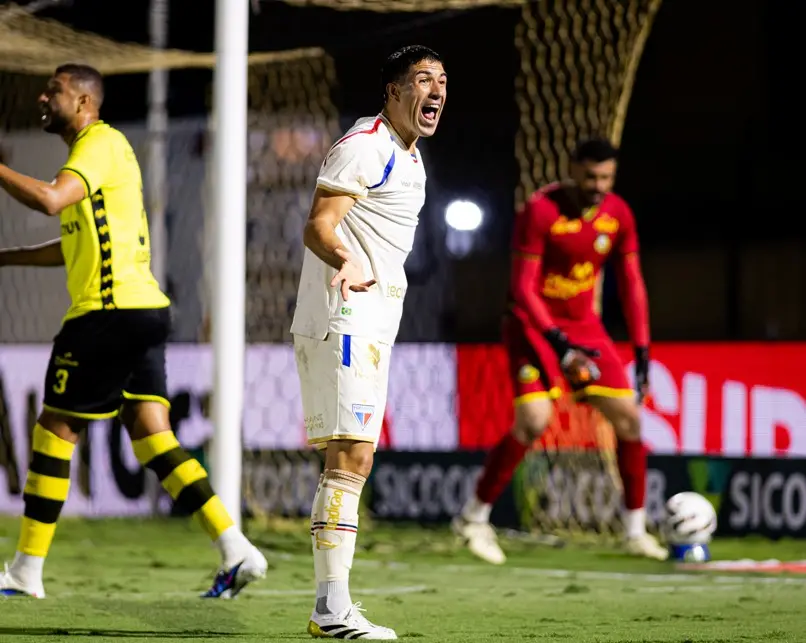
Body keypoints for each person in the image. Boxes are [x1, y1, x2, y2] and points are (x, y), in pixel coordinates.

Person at [0, 64, 267, 599]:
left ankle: (26, 571)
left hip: (106, 314)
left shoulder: (99, 144)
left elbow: (51, 201)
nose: (42, 97)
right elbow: (70, 243)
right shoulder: (93, 161)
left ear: (83, 103)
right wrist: (7, 257)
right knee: (152, 437)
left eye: (53, 90)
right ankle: (236, 547)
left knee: (55, 429)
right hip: (143, 312)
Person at [291, 45, 446, 640]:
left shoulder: (410, 157)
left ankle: (331, 606)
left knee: (354, 456)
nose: (436, 91)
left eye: (442, 81)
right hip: (343, 313)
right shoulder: (366, 145)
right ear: (393, 90)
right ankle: (331, 609)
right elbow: (318, 225)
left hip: (373, 320)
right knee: (350, 455)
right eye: (423, 80)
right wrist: (345, 259)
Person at [453, 137, 668, 564]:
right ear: (573, 169)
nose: (597, 184)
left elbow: (632, 284)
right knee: (534, 421)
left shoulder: (617, 214)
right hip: (532, 327)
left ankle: (634, 531)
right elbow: (521, 289)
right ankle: (473, 519)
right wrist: (558, 344)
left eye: (606, 177)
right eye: (590, 175)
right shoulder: (540, 210)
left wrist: (642, 349)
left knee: (629, 420)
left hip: (584, 328)